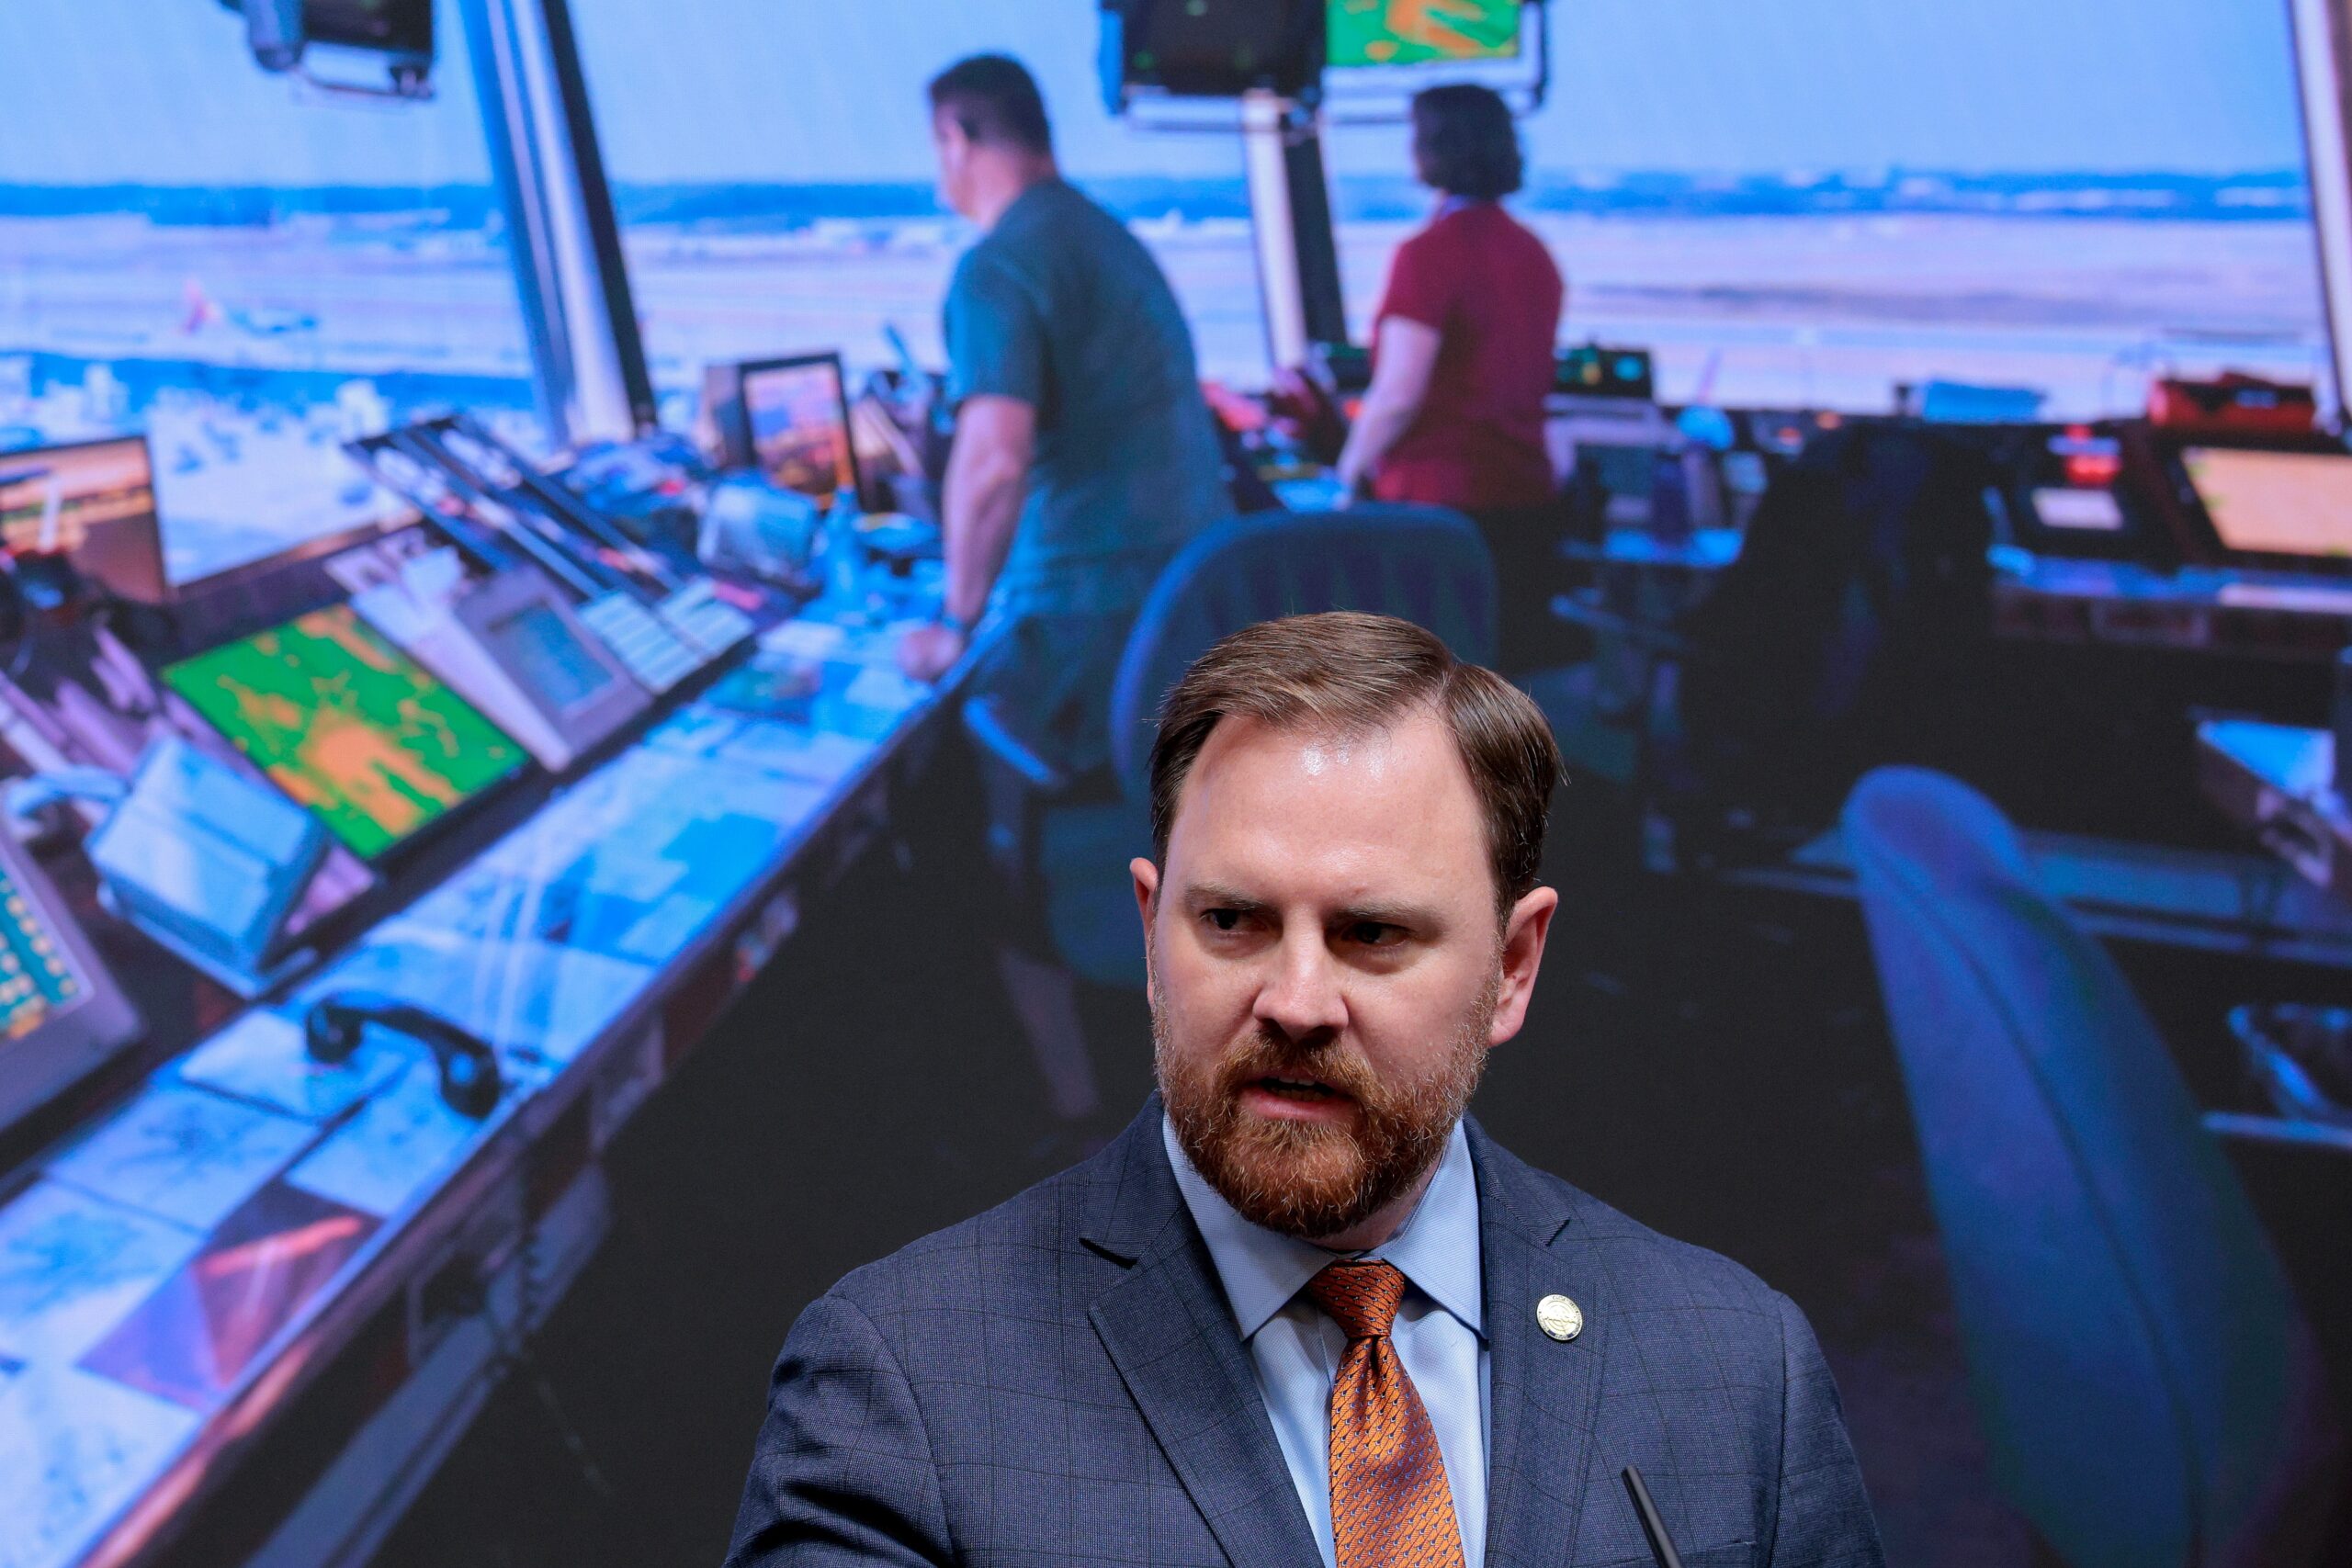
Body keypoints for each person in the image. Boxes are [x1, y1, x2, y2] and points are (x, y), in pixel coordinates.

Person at [725, 612, 1885, 1567]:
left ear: (1512, 969)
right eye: (1229, 921)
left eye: (1372, 933)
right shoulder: (901, 1387)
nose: (1294, 998)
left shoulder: (1737, 1369)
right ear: (1148, 934)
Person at [896, 54, 1233, 1120]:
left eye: (937, 149)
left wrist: (951, 621)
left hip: (1089, 625)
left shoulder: (998, 268)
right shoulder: (1104, 238)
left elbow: (993, 458)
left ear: (957, 137)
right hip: (1180, 617)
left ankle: (1060, 1110)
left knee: (938, 797)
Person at [1335, 85, 1566, 671]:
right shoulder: (1534, 254)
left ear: (1431, 149)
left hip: (1437, 512)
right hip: (1525, 510)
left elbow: (1398, 394)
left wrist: (1349, 470)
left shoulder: (1429, 254)